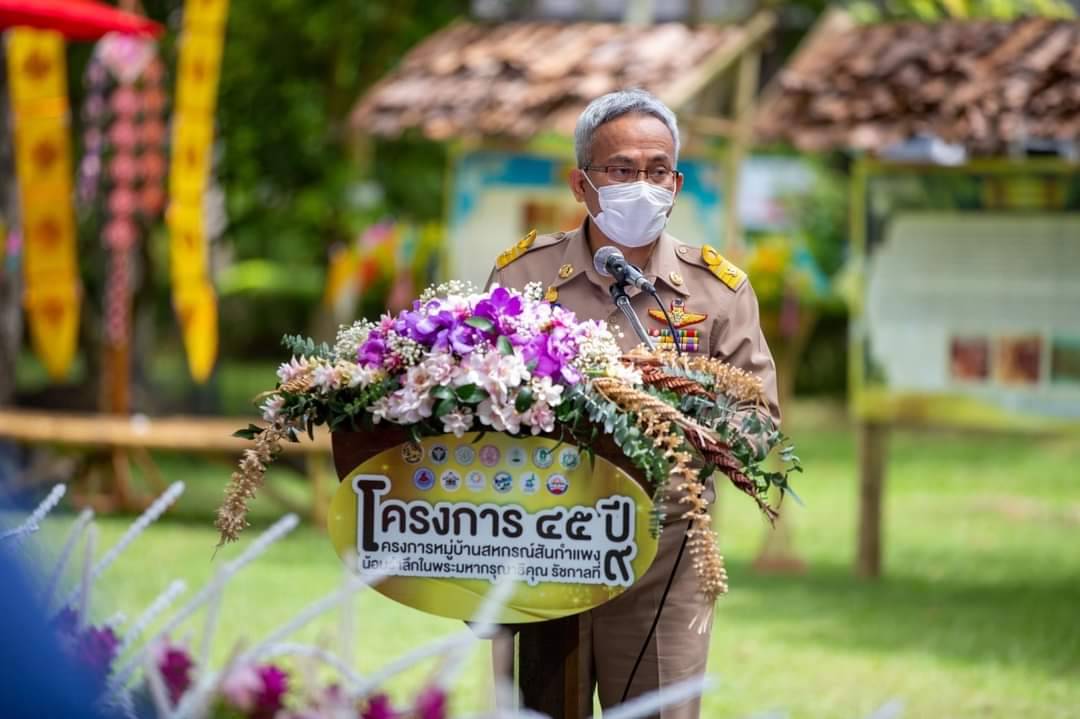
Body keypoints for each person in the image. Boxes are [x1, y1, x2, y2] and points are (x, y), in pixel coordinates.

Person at [486, 89, 781, 717]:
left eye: (657, 170)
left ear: (676, 183)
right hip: (543, 547)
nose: (641, 185)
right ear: (582, 184)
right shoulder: (523, 278)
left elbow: (760, 424)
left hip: (664, 562)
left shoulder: (718, 291)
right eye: (621, 170)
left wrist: (693, 424)